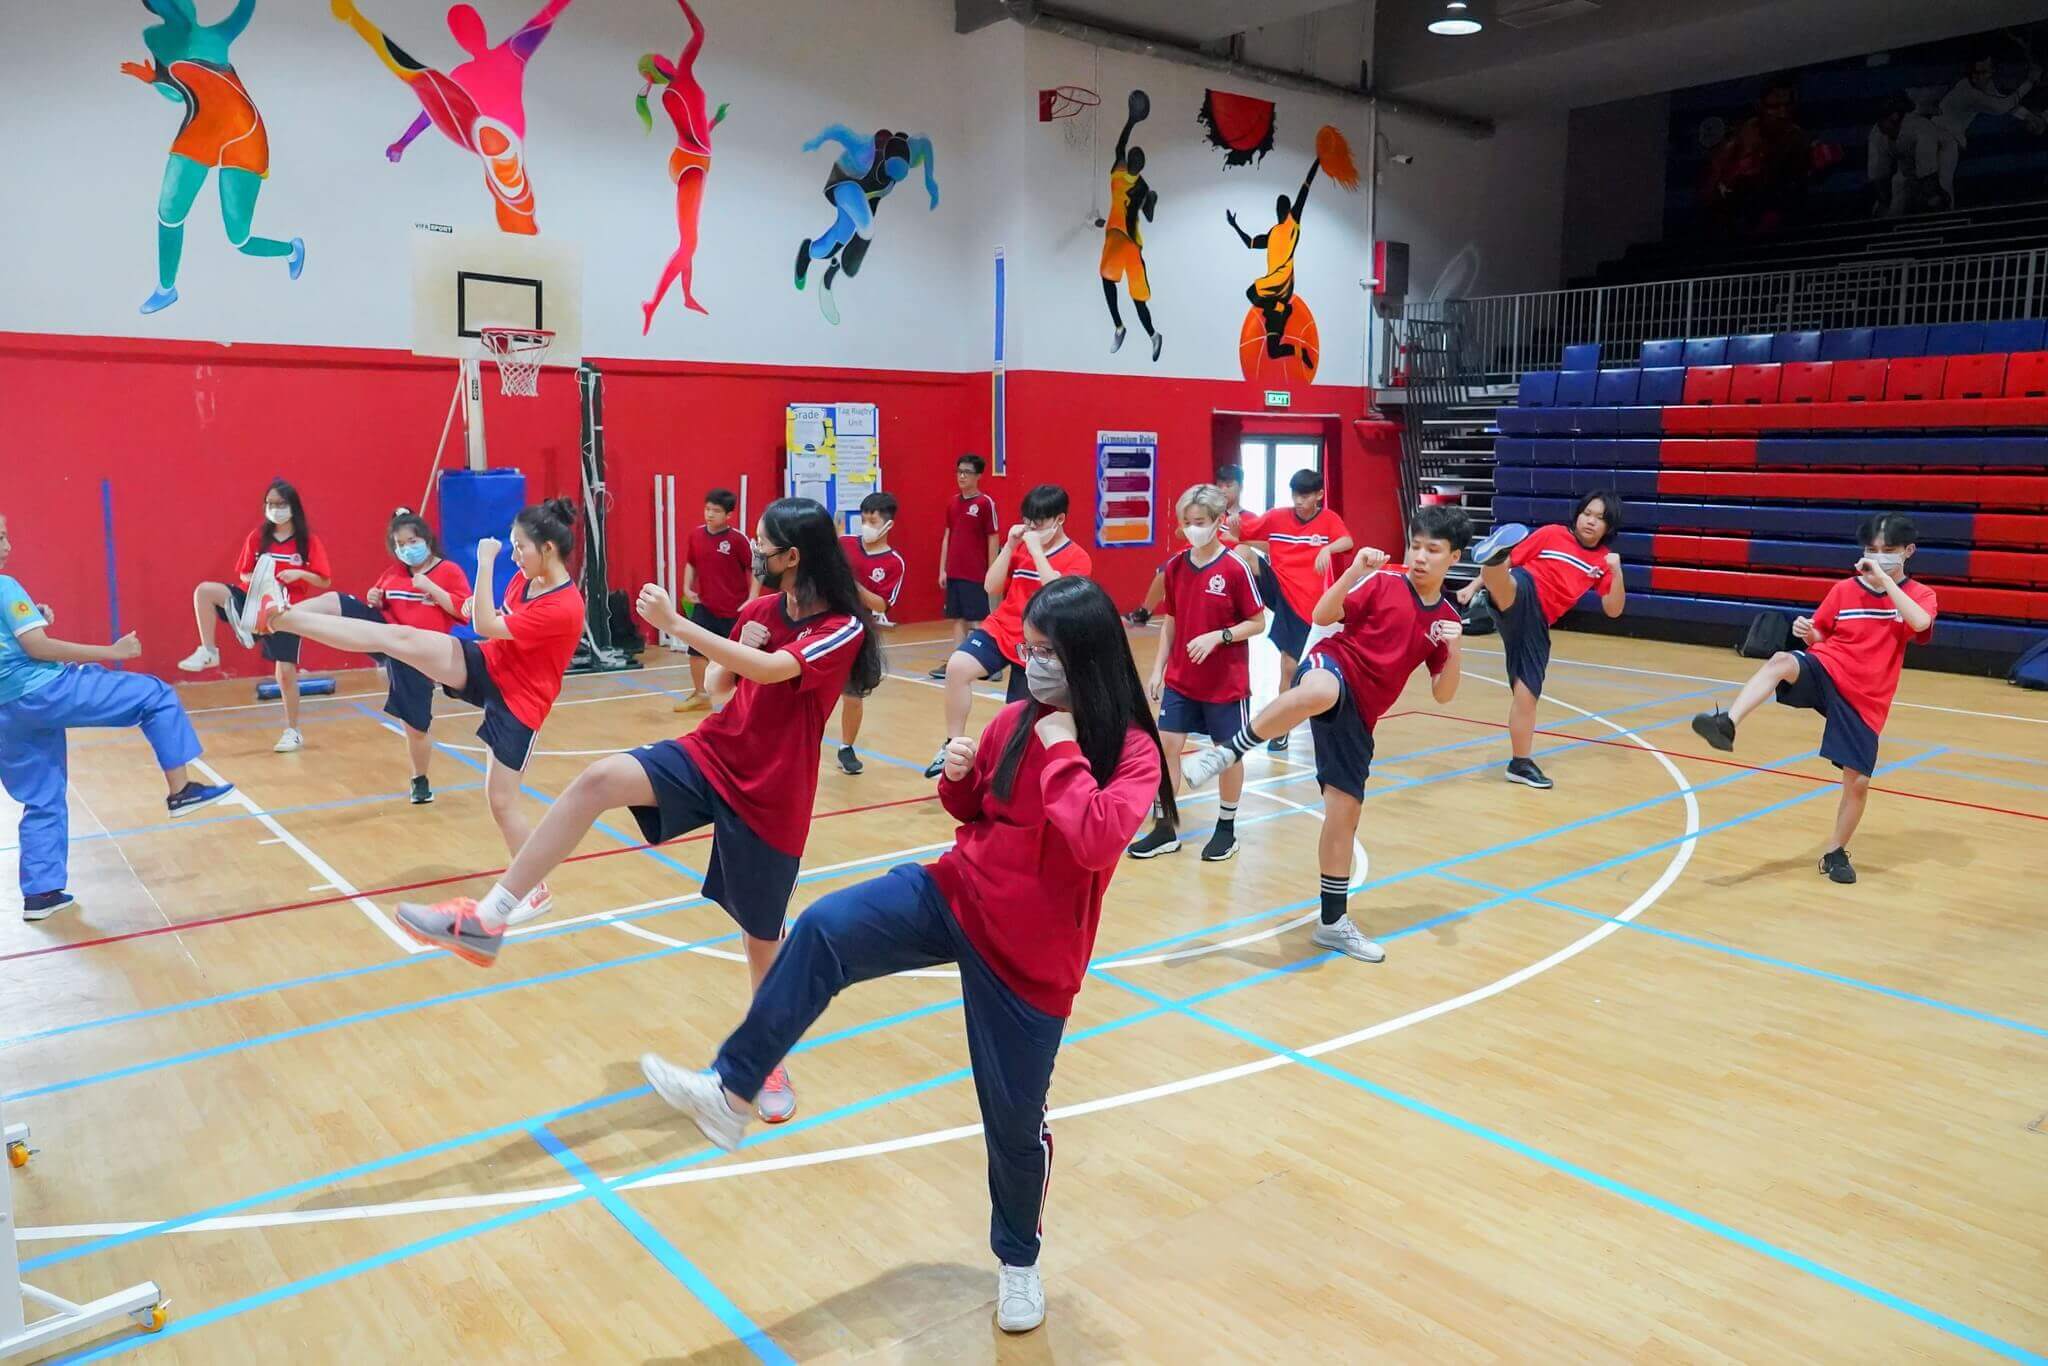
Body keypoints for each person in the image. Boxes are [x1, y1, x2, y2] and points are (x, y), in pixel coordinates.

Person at [637, 575, 1167, 1336]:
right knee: (823, 928)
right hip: (956, 894)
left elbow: (1092, 840)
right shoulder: (1016, 720)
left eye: (1050, 653)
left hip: (1032, 957)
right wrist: (959, 778)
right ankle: (733, 1091)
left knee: (1014, 1125)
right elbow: (977, 809)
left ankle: (1019, 1261)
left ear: (1088, 657)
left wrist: (1063, 753)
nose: (1034, 664)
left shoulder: (1131, 752)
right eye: (1032, 649)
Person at [396, 498, 882, 1125]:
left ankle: (765, 1061)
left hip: (773, 793)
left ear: (794, 556)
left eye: (761, 543)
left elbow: (768, 667)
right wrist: (733, 656)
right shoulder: (761, 610)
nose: (752, 549)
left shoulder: (840, 627)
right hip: (714, 754)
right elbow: (717, 688)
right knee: (598, 779)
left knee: (762, 942)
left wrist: (679, 626)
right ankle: (490, 918)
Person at [256, 500, 584, 916]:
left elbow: (485, 623)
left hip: (520, 702)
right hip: (488, 664)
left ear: (549, 549)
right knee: (400, 639)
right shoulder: (527, 580)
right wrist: (464, 604)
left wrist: (484, 565)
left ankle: (535, 891)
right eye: (513, 547)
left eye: (520, 547)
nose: (515, 554)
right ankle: (279, 617)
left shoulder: (564, 606)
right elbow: (489, 620)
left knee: (501, 802)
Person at [1184, 506, 1472, 963]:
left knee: (1343, 815)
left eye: (1432, 550)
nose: (1419, 556)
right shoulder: (1385, 582)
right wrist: (1355, 570)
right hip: (1334, 662)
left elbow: (1444, 694)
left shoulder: (1444, 619)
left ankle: (1332, 923)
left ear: (1453, 557)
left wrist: (1454, 645)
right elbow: (1323, 612)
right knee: (1318, 688)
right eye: (1415, 545)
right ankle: (1226, 753)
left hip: (1363, 713)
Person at [0, 514, 235, 922]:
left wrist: (30, 615)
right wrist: (114, 652)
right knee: (155, 695)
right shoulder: (4, 586)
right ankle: (181, 790)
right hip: (43, 692)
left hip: (7, 713)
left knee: (42, 796)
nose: (7, 545)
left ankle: (42, 894)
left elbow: (18, 636)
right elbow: (37, 647)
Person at [1691, 513, 1937, 886]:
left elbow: (1919, 624)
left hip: (1865, 698)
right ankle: (1728, 721)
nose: (1878, 556)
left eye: (1889, 550)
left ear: (1909, 551)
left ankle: (1835, 851)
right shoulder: (1843, 590)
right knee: (1781, 661)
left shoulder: (1919, 596)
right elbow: (1820, 637)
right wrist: (1805, 631)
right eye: (1872, 549)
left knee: (1857, 784)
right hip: (1828, 668)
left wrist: (1886, 578)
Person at [330, 0, 575, 234]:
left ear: (482, 27)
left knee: (511, 194)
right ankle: (355, 20)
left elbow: (544, 19)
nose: (467, 35)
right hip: (478, 134)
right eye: (461, 31)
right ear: (458, 39)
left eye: (469, 26)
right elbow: (432, 111)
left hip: (499, 140)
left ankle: (521, 229)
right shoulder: (465, 73)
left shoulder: (511, 52)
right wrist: (403, 142)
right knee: (423, 80)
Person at [123, 0, 305, 315]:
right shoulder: (156, 38)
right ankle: (166, 288)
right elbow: (177, 93)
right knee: (168, 212)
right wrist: (154, 80)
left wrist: (157, 80)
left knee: (239, 240)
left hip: (242, 130)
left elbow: (246, 9)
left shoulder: (219, 33)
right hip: (201, 127)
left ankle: (291, 250)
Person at [283, 509, 473, 805]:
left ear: (426, 539)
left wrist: (432, 589)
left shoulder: (449, 572)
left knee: (416, 726)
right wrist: (374, 596)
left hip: (419, 652)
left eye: (412, 541)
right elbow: (380, 599)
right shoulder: (394, 573)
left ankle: (419, 779)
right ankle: (281, 617)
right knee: (338, 601)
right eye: (400, 544)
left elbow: (463, 611)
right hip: (387, 637)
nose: (407, 548)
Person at [1129, 484, 1267, 862]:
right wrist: (1158, 668)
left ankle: (1226, 829)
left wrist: (1219, 637)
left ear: (1219, 521)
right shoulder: (1175, 567)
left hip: (1226, 683)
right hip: (1181, 680)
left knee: (1227, 755)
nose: (1193, 528)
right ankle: (1164, 827)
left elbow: (1257, 623)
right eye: (1187, 522)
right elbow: (1171, 621)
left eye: (1201, 522)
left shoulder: (1235, 568)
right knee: (1166, 747)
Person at [1458, 494, 1625, 790]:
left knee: (1527, 692)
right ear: (1577, 515)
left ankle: (1519, 763)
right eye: (1587, 513)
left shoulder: (1601, 562)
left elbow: (1613, 610)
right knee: (1511, 581)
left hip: (1538, 622)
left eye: (1599, 518)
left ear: (1607, 527)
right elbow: (1514, 560)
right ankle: (1492, 563)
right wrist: (1472, 586)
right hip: (1526, 585)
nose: (1590, 520)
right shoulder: (1553, 534)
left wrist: (1617, 571)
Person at [923, 485, 1091, 777]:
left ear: (1059, 520)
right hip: (1003, 628)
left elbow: (1057, 591)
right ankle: (952, 745)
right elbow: (991, 586)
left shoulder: (1078, 557)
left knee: (1019, 719)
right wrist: (1011, 547)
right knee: (957, 667)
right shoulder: (1020, 548)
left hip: (1042, 644)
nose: (1030, 528)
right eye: (1027, 521)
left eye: (1037, 523)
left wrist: (1038, 552)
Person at [179, 478, 331, 754]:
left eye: (280, 504)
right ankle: (209, 650)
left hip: (286, 610)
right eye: (270, 504)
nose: (275, 509)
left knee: (285, 673)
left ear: (293, 507)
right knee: (205, 591)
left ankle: (292, 731)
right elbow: (243, 573)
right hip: (253, 599)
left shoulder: (307, 542)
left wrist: (299, 573)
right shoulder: (256, 537)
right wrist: (260, 580)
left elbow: (323, 581)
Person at [1235, 469, 1352, 752]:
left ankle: (1283, 727)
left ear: (1319, 495)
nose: (1299, 501)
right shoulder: (1276, 516)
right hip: (1280, 591)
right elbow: (1244, 534)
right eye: (1295, 495)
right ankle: (1241, 608)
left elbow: (1348, 541)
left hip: (1310, 603)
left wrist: (1327, 549)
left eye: (1305, 495)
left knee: (1290, 667)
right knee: (1242, 552)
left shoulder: (1328, 520)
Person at [634, 0, 724, 331]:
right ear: (660, 69)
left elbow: (696, 130)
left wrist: (715, 121)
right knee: (689, 242)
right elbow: (699, 33)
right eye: (662, 60)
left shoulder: (672, 91)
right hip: (691, 166)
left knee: (691, 237)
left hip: (694, 159)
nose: (670, 58)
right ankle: (652, 304)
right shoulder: (678, 82)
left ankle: (687, 295)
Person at [795, 126, 938, 325]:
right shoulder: (865, 151)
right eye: (890, 171)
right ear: (884, 159)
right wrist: (818, 140)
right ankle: (848, 264)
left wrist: (929, 179)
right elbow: (840, 132)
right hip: (846, 181)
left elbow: (926, 143)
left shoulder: (914, 152)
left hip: (865, 194)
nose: (892, 178)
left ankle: (808, 252)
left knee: (841, 235)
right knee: (866, 228)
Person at [1227, 153, 1323, 371]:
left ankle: (1281, 307)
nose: (1279, 211)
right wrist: (1235, 226)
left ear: (1287, 210)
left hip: (1282, 280)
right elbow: (1251, 243)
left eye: (1282, 208)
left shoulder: (1292, 223)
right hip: (1274, 299)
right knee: (1272, 350)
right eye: (1278, 209)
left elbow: (1304, 190)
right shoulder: (1273, 233)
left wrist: (1317, 161)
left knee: (1251, 292)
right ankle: (1300, 350)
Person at [834, 492, 906, 775]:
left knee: (853, 695)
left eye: (872, 519)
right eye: (863, 518)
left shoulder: (893, 563)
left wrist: (851, 584)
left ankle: (846, 748)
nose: (866, 524)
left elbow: (881, 604)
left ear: (888, 524)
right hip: (828, 626)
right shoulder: (844, 545)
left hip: (861, 632)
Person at [1130, 463, 1248, 626]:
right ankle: (1145, 611)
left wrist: (1236, 538)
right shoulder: (1204, 510)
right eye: (1220, 485)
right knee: (1165, 571)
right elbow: (1179, 533)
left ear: (1240, 487)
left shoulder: (1249, 517)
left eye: (1229, 485)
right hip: (1194, 555)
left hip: (1222, 562)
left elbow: (1251, 547)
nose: (1223, 490)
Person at [674, 487, 756, 713]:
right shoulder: (696, 535)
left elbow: (755, 569)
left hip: (733, 609)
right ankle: (700, 694)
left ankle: (741, 699)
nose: (710, 514)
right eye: (707, 509)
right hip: (705, 605)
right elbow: (691, 562)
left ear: (728, 515)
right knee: (695, 651)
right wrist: (686, 587)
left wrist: (752, 597)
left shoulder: (737, 540)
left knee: (736, 658)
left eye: (716, 511)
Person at [1095, 91, 1162, 361]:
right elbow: (1120, 146)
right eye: (1133, 161)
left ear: (1140, 165)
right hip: (1119, 237)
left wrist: (1149, 202)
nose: (1132, 163)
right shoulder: (1121, 173)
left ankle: (1152, 335)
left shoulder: (1133, 181)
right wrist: (1131, 120)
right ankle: (1120, 327)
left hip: (1130, 243)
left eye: (1136, 162)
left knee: (1137, 299)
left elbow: (1148, 217)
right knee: (1108, 280)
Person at [930, 454, 1000, 677]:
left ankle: (988, 664)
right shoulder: (952, 502)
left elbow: (993, 537)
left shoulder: (985, 503)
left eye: (967, 472)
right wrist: (943, 569)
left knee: (978, 618)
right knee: (958, 617)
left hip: (976, 573)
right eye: (959, 471)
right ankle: (957, 661)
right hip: (955, 572)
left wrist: (992, 570)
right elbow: (947, 536)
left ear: (978, 476)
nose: (961, 476)